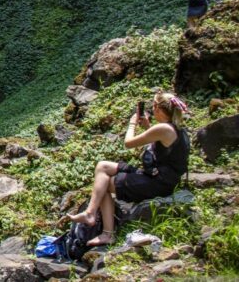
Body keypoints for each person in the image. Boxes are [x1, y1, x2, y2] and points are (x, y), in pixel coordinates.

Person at [64, 92, 190, 246]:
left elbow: (128, 143)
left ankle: (107, 233)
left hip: (159, 182)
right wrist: (147, 127)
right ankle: (90, 213)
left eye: (153, 105)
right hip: (157, 175)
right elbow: (161, 148)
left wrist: (132, 123)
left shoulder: (164, 128)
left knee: (104, 184)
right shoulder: (173, 127)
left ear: (157, 108)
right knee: (102, 167)